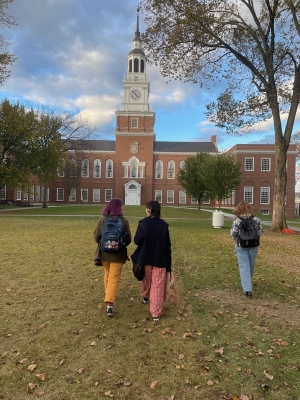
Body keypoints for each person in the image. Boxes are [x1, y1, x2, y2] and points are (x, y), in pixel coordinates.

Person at [131, 200, 172, 322]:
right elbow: (167, 246)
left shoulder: (143, 223)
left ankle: (145, 296)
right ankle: (155, 313)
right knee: (157, 285)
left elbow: (137, 240)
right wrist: (169, 265)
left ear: (149, 210)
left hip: (145, 257)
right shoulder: (163, 225)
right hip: (160, 258)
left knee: (146, 279)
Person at [94, 198, 131, 316]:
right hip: (118, 254)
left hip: (104, 253)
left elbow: (96, 236)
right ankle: (109, 304)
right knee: (114, 278)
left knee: (107, 274)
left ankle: (108, 295)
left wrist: (104, 244)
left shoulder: (102, 219)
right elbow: (128, 239)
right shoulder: (124, 221)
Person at [230, 201, 263, 298]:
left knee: (244, 267)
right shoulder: (256, 219)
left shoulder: (237, 220)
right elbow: (260, 232)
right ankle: (247, 282)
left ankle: (247, 290)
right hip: (254, 245)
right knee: (251, 266)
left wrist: (237, 239)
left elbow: (233, 234)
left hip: (242, 245)